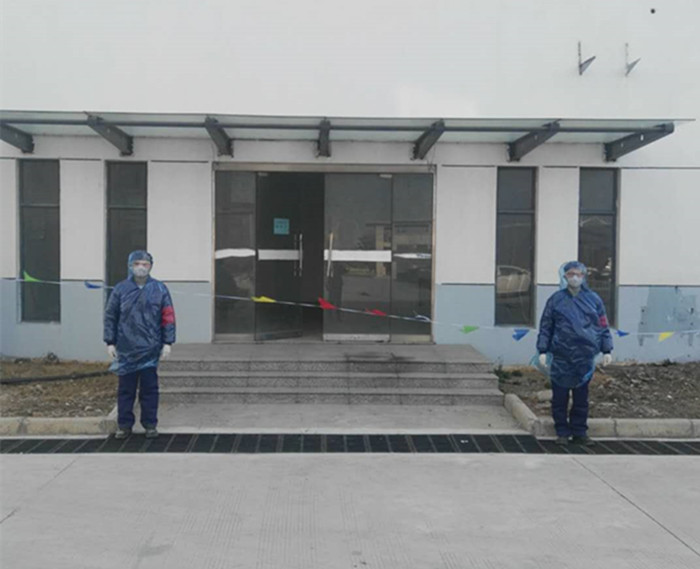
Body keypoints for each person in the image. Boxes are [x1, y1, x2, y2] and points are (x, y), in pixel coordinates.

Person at [536, 261, 613, 446]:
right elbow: (546, 326)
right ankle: (562, 431)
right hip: (561, 356)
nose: (575, 278)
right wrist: (542, 349)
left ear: (584, 276)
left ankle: (579, 432)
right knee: (559, 397)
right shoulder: (556, 300)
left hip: (584, 357)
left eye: (578, 274)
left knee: (581, 398)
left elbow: (603, 325)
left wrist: (607, 349)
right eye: (571, 274)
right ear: (564, 276)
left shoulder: (594, 300)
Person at [104, 250, 176, 439]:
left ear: (151, 266)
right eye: (137, 264)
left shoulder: (160, 289)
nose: (141, 268)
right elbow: (110, 316)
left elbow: (168, 316)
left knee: (149, 390)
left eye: (145, 264)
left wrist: (167, 342)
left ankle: (150, 424)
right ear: (130, 265)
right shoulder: (120, 289)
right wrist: (110, 341)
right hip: (126, 348)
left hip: (150, 349)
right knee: (126, 390)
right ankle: (124, 425)